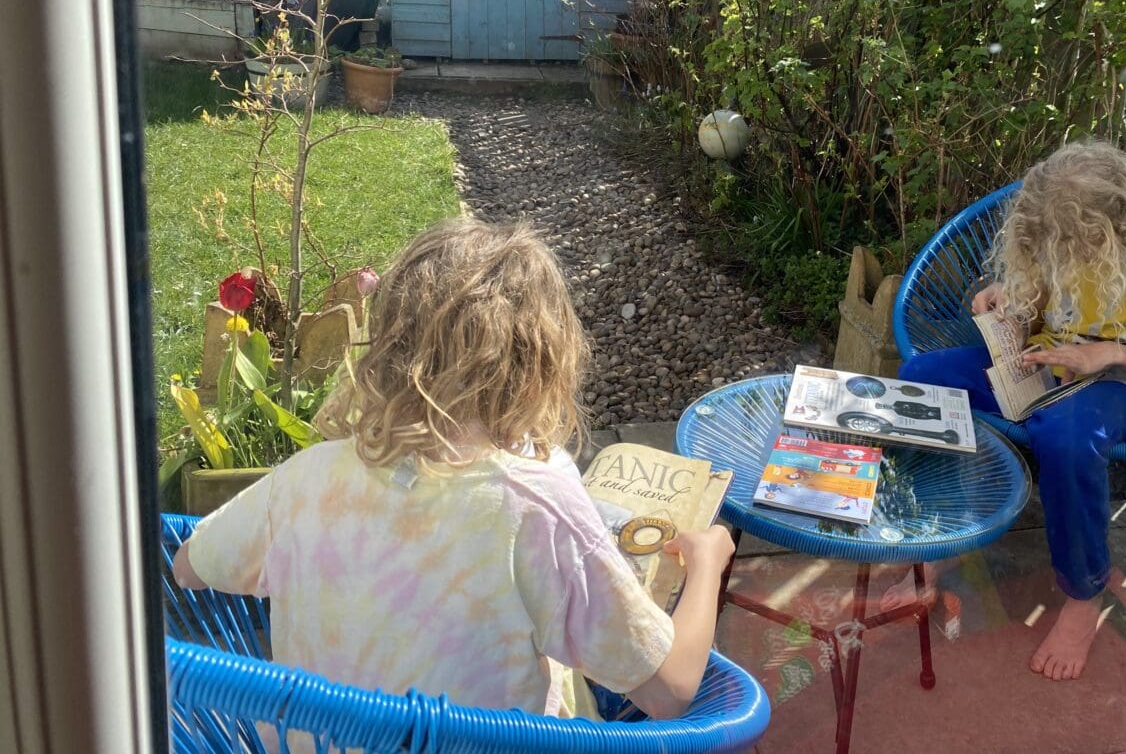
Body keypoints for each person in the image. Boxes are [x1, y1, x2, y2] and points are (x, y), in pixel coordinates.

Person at [173, 218, 734, 722]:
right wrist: (707, 561)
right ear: (538, 360)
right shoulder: (535, 503)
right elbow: (673, 689)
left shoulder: (307, 476)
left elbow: (188, 569)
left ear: (391, 343)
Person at [899, 140, 1126, 681]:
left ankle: (1084, 592)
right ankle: (948, 532)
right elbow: (1037, 305)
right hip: (1048, 359)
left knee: (1064, 438)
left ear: (1118, 224)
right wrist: (1007, 304)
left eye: (1074, 244)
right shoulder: (1056, 237)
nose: (1062, 253)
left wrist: (1109, 353)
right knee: (921, 383)